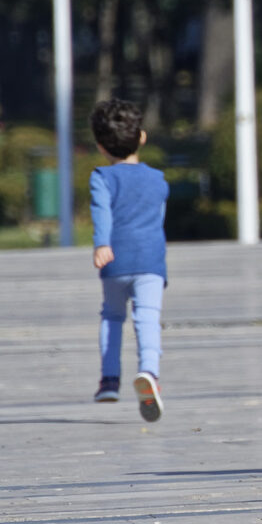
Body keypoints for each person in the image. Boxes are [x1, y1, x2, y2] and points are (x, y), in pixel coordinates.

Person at [88, 98, 170, 422]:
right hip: (151, 261)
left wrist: (101, 244)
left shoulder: (102, 177)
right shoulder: (158, 178)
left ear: (100, 147)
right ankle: (149, 372)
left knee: (111, 316)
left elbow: (101, 212)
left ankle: (109, 381)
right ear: (142, 137)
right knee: (147, 318)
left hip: (115, 260)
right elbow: (158, 218)